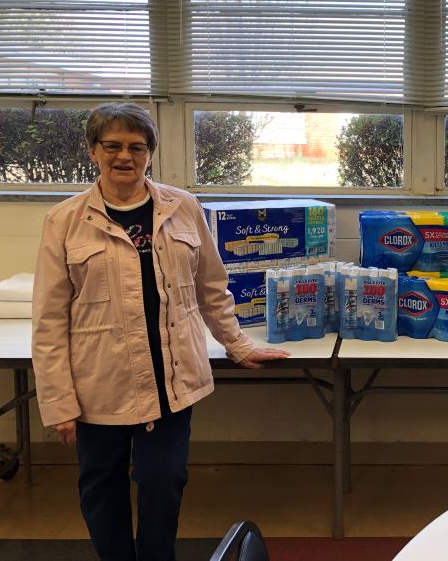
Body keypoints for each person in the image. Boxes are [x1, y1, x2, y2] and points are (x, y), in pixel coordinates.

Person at [31, 103, 290, 560]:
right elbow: (49, 318)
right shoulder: (65, 220)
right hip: (99, 383)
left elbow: (212, 288)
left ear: (150, 153)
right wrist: (58, 400)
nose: (124, 156)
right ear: (93, 151)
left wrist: (237, 343)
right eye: (112, 145)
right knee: (100, 486)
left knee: (164, 482)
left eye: (136, 146)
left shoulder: (183, 207)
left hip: (173, 377)